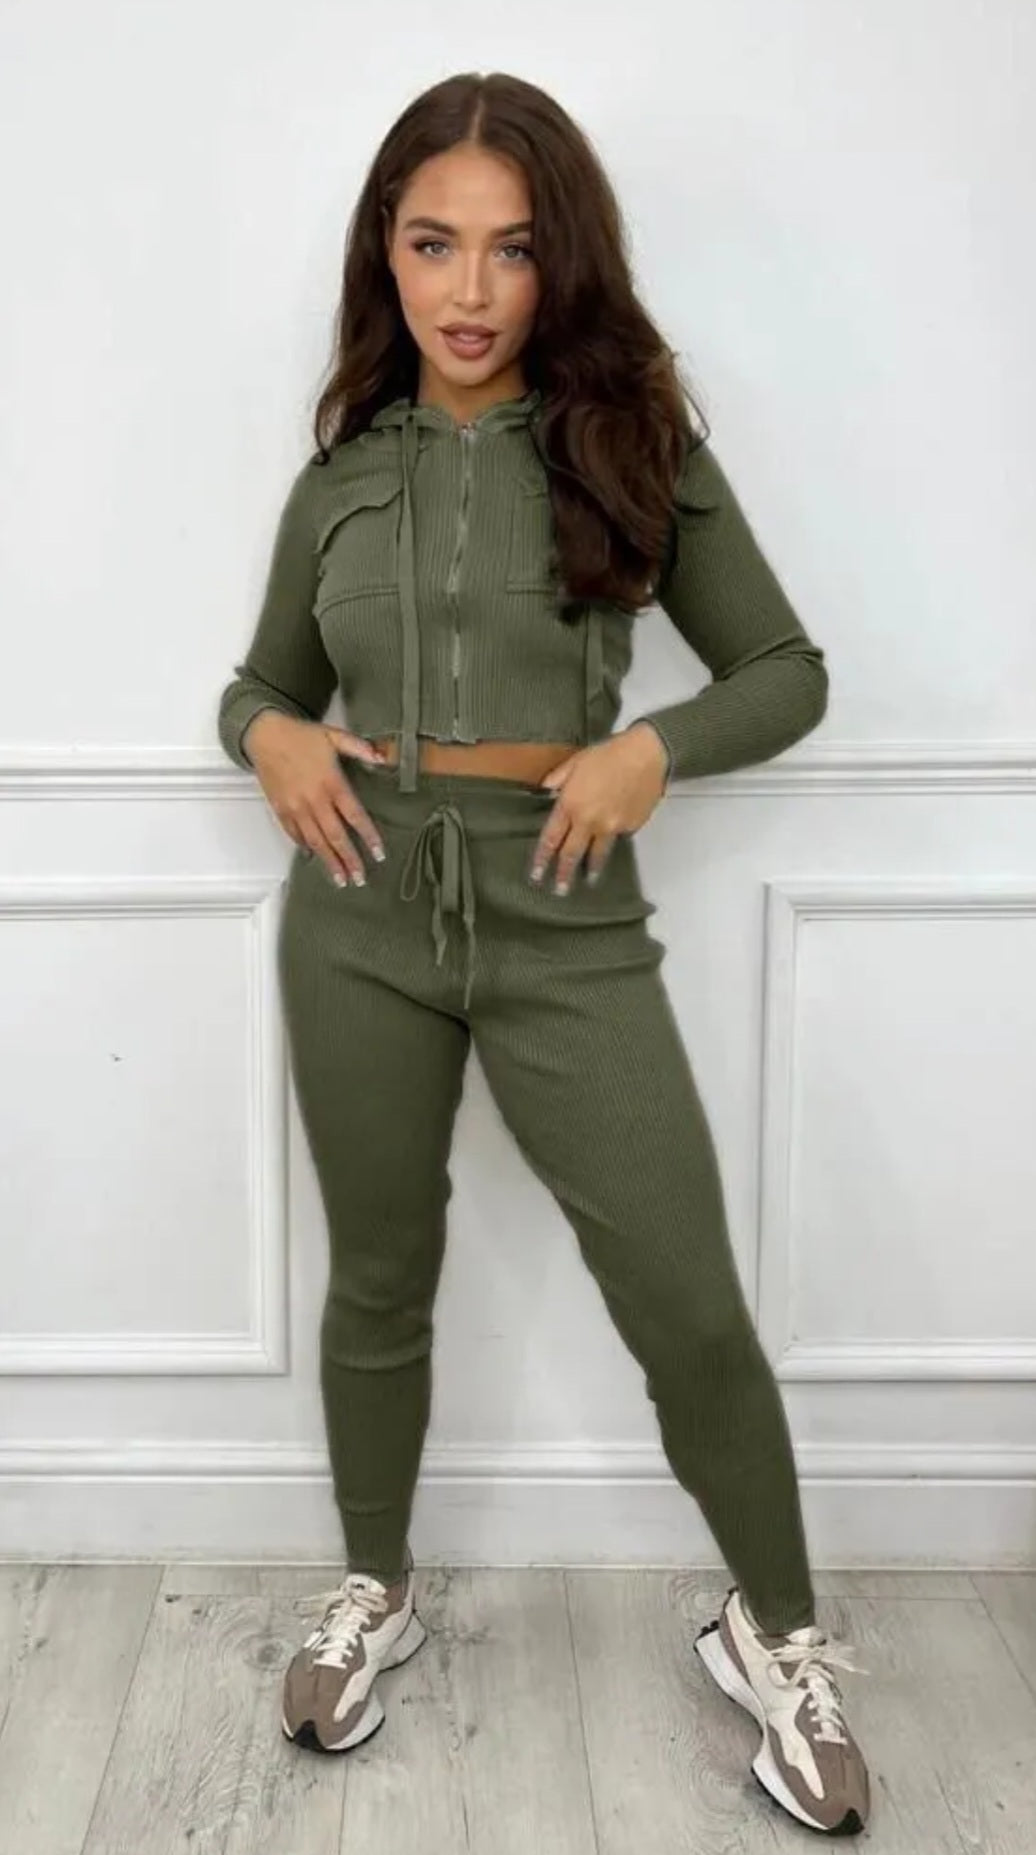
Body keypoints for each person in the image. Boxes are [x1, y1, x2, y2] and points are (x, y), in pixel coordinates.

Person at [216, 71, 870, 1836]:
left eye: (511, 249)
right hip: (359, 906)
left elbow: (787, 672)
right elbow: (262, 682)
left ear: (559, 260)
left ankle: (778, 1634)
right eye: (434, 243)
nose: (471, 288)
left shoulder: (636, 447)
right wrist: (269, 736)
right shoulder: (342, 476)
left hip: (566, 908)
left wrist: (652, 747)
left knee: (685, 1297)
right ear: (387, 252)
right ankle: (377, 1588)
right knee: (378, 1276)